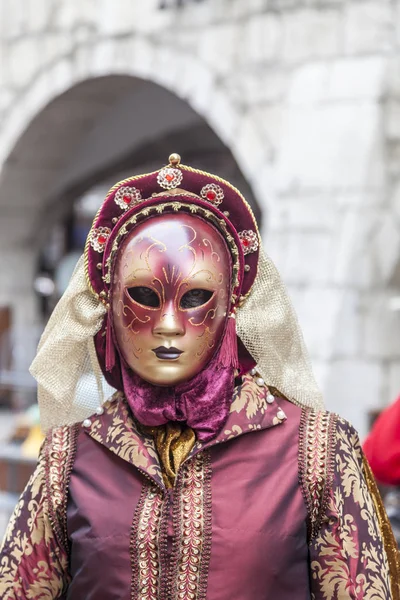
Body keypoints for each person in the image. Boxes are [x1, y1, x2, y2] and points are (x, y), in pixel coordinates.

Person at [0, 154, 399, 599]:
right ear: (108, 307)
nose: (168, 324)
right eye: (144, 295)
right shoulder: (69, 457)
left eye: (195, 296)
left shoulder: (316, 452)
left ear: (230, 306)